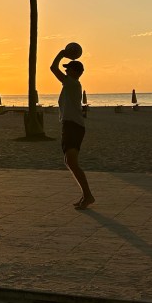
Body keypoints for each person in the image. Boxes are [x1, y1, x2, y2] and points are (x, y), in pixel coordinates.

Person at [50, 48, 95, 210]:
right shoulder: (71, 84)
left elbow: (53, 68)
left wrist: (62, 53)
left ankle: (88, 195)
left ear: (76, 72)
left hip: (73, 126)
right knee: (69, 161)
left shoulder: (71, 83)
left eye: (69, 68)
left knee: (72, 162)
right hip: (71, 126)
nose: (66, 70)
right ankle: (86, 195)